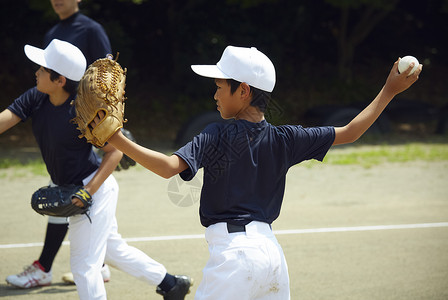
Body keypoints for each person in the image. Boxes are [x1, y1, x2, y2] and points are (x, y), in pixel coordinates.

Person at [94, 45, 422, 299]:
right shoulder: (287, 138)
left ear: (244, 90)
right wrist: (389, 90)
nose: (215, 93)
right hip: (273, 259)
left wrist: (116, 138)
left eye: (220, 85)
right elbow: (351, 131)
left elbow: (168, 168)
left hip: (234, 257)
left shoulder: (217, 133)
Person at [1, 39, 192, 300]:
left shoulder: (84, 109)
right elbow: (5, 119)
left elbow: (115, 151)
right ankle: (171, 284)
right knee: (110, 250)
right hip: (76, 188)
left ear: (59, 81)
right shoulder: (37, 97)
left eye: (43, 69)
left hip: (93, 189)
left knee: (84, 266)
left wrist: (88, 192)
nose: (36, 72)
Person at [5, 0, 114, 287]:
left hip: (82, 121)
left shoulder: (91, 29)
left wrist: (110, 124)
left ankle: (46, 266)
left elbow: (106, 75)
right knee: (70, 197)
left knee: (68, 189)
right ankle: (157, 278)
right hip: (62, 115)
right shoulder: (53, 33)